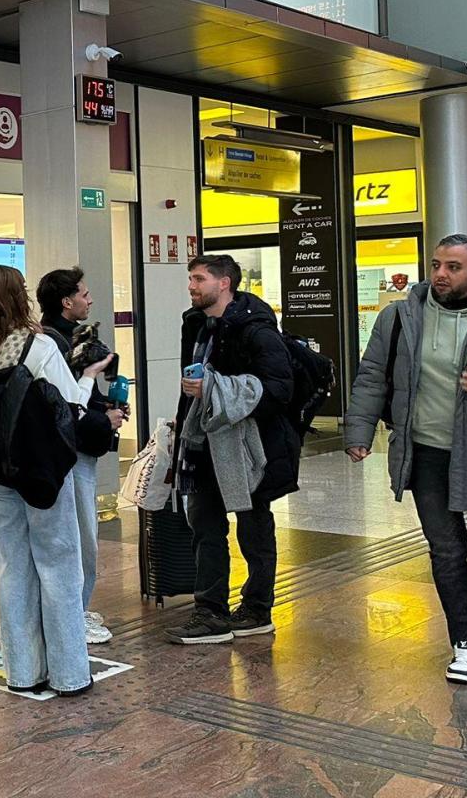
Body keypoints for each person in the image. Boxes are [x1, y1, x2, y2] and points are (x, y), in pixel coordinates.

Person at [345, 234, 467, 683]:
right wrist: (359, 431)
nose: (440, 274)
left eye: (453, 267)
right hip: (426, 451)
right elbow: (372, 376)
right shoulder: (401, 315)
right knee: (447, 551)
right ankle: (465, 643)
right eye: (436, 264)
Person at [0, 265, 109, 697]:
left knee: (12, 567)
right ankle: (70, 674)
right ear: (16, 298)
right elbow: (70, 406)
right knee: (58, 566)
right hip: (40, 471)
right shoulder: (38, 345)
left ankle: (22, 671)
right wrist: (88, 377)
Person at [163, 254, 299, 645]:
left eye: (199, 279)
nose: (191, 286)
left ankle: (257, 609)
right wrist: (184, 422)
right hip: (203, 441)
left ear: (224, 283)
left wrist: (218, 390)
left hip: (250, 447)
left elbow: (279, 389)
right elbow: (190, 387)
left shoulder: (256, 329)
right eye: (191, 278)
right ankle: (210, 612)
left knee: (253, 528)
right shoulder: (195, 323)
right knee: (204, 526)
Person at [35, 267, 127, 645]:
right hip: (70, 456)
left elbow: (81, 399)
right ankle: (72, 616)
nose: (89, 300)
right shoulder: (53, 345)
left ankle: (76, 608)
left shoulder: (67, 339)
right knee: (80, 541)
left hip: (74, 453)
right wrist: (104, 420)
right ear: (66, 301)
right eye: (84, 295)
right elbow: (68, 408)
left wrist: (106, 410)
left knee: (80, 538)